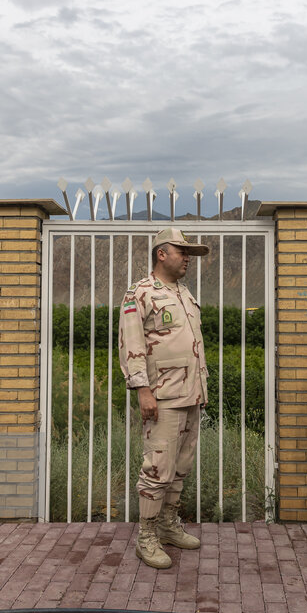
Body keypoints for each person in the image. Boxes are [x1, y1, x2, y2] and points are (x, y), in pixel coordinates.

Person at [118, 227, 209, 569]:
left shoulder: (184, 293)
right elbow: (131, 343)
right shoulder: (140, 293)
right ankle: (147, 537)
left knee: (180, 467)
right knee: (157, 467)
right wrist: (142, 389)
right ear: (161, 253)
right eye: (182, 251)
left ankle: (169, 525)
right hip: (162, 395)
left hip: (191, 393)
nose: (187, 258)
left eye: (189, 253)